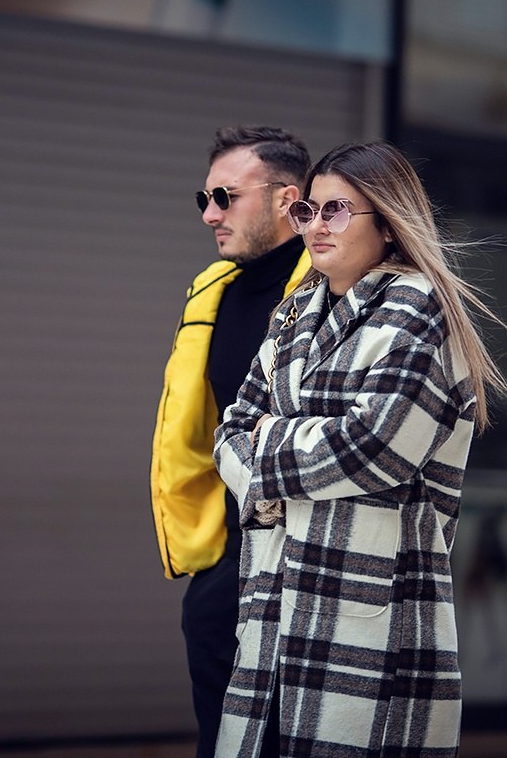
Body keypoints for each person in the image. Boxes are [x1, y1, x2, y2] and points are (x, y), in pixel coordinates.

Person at [212, 140, 507, 757]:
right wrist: (283, 452)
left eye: (336, 211)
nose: (316, 226)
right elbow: (230, 432)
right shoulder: (295, 313)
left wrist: (269, 451)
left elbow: (372, 449)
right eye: (308, 211)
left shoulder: (421, 312)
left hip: (371, 614)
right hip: (273, 607)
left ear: (389, 222)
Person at [150, 125, 312, 758]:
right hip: (229, 549)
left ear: (287, 199)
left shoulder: (335, 291)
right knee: (219, 729)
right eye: (205, 199)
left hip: (307, 551)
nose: (209, 215)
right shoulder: (213, 290)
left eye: (226, 197)